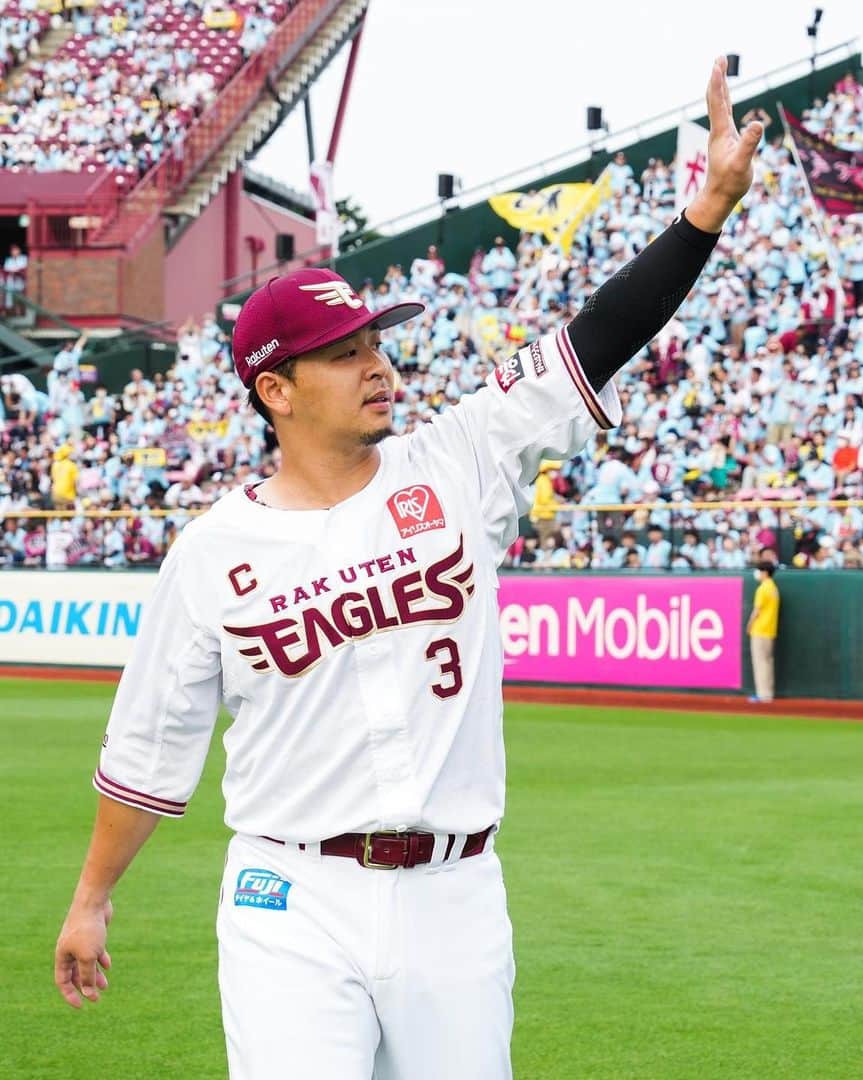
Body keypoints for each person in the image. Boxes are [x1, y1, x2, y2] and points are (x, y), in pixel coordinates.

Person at [53, 57, 762, 1080]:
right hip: (287, 898)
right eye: (345, 352)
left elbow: (595, 339)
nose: (379, 363)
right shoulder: (211, 554)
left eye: (376, 341)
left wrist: (703, 213)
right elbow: (151, 748)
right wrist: (90, 897)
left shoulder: (462, 457)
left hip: (453, 894)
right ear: (276, 391)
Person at [747, 561, 779, 703]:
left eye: (759, 571)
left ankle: (762, 694)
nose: (757, 574)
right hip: (770, 630)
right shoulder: (773, 588)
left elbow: (757, 610)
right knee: (767, 662)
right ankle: (767, 693)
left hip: (760, 630)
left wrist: (749, 625)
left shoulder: (763, 588)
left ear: (765, 573)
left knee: (760, 663)